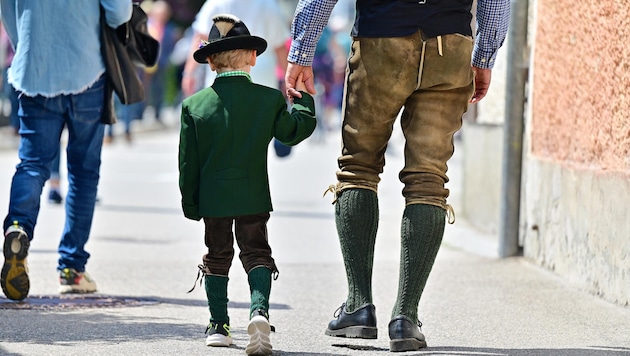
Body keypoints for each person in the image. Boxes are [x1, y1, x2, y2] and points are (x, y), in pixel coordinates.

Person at [285, 0, 510, 352]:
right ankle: (406, 317)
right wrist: (485, 56)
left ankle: (358, 306)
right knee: (429, 180)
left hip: (381, 38)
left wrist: (301, 50)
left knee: (358, 168)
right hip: (450, 45)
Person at [178, 14, 316, 355]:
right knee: (256, 253)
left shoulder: (193, 106)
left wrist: (191, 203)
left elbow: (188, 164)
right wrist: (305, 101)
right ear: (253, 58)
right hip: (254, 194)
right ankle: (259, 311)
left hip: (213, 199)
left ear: (210, 62)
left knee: (217, 256)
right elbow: (293, 131)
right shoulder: (268, 100)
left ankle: (218, 325)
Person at [0, 0, 132, 301]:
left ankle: (18, 227)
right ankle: (72, 269)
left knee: (32, 163)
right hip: (88, 70)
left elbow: (6, 9)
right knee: (84, 174)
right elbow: (119, 12)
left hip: (34, 69)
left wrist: (28, 44)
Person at [180, 0, 293, 158]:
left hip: (222, 71)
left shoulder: (216, 3)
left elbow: (200, 39)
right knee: (255, 135)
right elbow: (280, 47)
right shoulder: (268, 4)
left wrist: (189, 73)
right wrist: (290, 81)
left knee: (222, 128)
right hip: (260, 71)